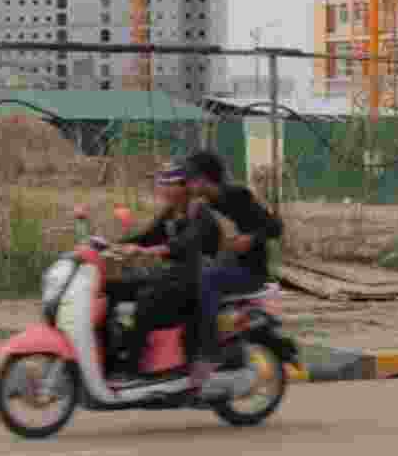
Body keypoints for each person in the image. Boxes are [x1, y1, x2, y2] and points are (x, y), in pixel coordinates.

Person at [107, 162, 226, 393]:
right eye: (162, 183)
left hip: (197, 280)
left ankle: (134, 368)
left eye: (170, 184)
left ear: (185, 187)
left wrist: (145, 252)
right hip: (175, 275)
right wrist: (113, 245)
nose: (163, 189)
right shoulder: (172, 211)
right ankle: (112, 356)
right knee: (113, 289)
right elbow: (148, 235)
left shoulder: (199, 212)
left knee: (145, 301)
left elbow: (184, 245)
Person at [183, 149, 283, 360]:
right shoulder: (202, 205)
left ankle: (209, 349)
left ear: (203, 179)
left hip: (250, 272)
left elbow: (275, 226)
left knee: (209, 280)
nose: (188, 187)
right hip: (224, 267)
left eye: (191, 180)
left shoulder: (238, 196)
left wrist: (251, 238)